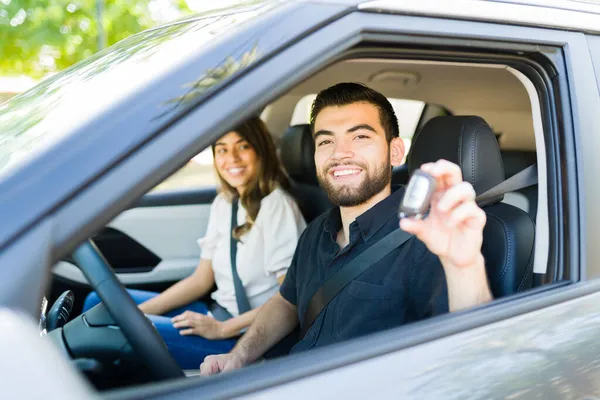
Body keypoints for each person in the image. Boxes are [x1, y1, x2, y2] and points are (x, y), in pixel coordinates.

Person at [199, 82, 493, 375]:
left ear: (395, 152)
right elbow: (286, 302)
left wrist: (464, 266)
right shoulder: (316, 231)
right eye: (326, 141)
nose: (340, 153)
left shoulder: (430, 236)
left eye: (361, 136)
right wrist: (238, 358)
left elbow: (473, 360)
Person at [83, 117, 307, 369]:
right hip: (215, 311)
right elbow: (201, 279)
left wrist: (223, 328)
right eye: (222, 149)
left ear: (261, 151)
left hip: (243, 335)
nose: (231, 158)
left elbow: (290, 298)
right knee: (99, 304)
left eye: (243, 147)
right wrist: (137, 313)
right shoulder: (225, 203)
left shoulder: (277, 206)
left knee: (114, 330)